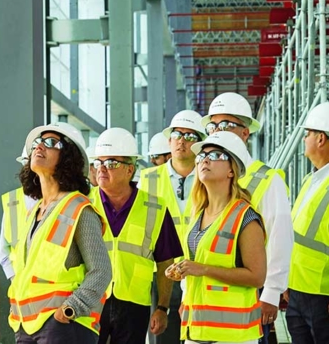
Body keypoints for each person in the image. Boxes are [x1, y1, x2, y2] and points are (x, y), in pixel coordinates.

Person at [9, 122, 112, 344]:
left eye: (50, 143)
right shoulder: (34, 212)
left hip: (63, 326)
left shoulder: (78, 209)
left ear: (68, 158)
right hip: (27, 324)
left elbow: (101, 270)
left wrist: (70, 310)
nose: (39, 147)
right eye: (38, 142)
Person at [202, 92, 293, 343]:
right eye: (212, 125)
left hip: (252, 290)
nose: (216, 131)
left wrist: (271, 293)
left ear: (245, 132)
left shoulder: (267, 179)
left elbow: (279, 238)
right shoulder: (205, 178)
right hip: (210, 291)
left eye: (226, 125)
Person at [166, 131, 267, 344]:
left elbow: (257, 277)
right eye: (202, 157)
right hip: (197, 330)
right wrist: (182, 272)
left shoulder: (245, 217)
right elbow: (198, 265)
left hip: (233, 335)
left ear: (232, 170)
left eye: (215, 156)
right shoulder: (198, 213)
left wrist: (202, 269)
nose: (205, 161)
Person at [88, 128, 183, 344]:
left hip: (135, 304)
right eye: (98, 162)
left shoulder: (155, 208)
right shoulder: (84, 204)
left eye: (111, 163)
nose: (102, 168)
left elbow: (166, 262)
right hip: (92, 300)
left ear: (129, 169)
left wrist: (161, 307)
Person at [140, 110, 207, 344]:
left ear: (200, 144)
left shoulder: (209, 177)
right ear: (169, 141)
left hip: (199, 270)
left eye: (190, 136)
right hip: (159, 272)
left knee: (196, 337)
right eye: (177, 134)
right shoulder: (147, 178)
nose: (182, 140)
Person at [286, 102, 329, 343]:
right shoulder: (310, 180)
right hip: (299, 288)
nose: (304, 139)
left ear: (321, 139)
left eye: (308, 134)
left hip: (322, 294)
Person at [0, 147, 37, 279]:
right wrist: (15, 281)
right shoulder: (12, 201)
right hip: (20, 290)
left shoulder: (60, 200)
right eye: (26, 163)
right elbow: (4, 253)